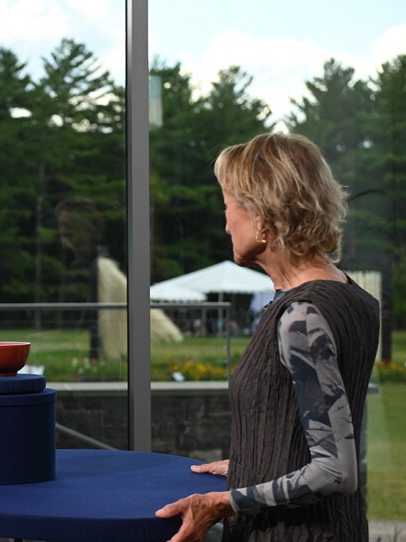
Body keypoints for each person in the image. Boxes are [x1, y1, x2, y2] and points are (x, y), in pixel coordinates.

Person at [155, 133, 380, 541]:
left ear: (260, 215)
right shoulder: (353, 296)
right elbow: (310, 426)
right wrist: (250, 464)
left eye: (228, 208)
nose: (225, 225)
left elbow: (334, 470)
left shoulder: (302, 314)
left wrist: (221, 502)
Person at [55, 196, 182, 361]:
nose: (63, 232)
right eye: (62, 226)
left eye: (69, 226)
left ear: (85, 228)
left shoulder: (100, 267)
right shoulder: (91, 265)